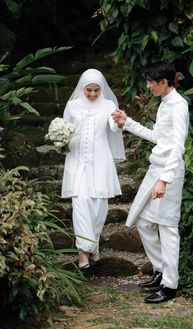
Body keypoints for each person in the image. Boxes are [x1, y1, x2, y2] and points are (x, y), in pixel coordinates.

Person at [112, 61, 189, 303]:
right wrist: (128, 123)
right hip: (156, 168)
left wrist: (165, 180)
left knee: (167, 227)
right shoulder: (164, 104)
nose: (148, 86)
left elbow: (177, 147)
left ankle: (170, 286)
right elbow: (157, 137)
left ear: (164, 82)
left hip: (169, 171)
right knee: (144, 222)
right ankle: (161, 271)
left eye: (151, 82)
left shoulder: (179, 106)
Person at [61, 69, 125, 269]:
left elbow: (113, 128)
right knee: (80, 203)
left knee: (98, 207)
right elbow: (64, 129)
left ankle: (93, 244)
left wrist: (118, 123)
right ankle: (83, 253)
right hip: (77, 160)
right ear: (82, 88)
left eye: (96, 90)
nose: (92, 94)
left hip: (100, 161)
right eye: (89, 90)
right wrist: (60, 139)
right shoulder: (72, 106)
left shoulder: (108, 105)